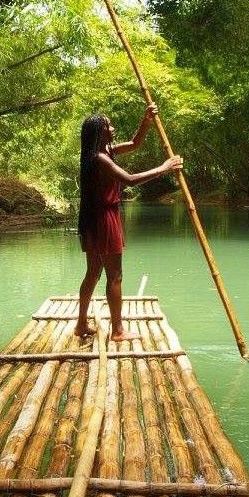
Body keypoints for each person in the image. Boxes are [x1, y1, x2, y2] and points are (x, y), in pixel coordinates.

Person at [75, 104, 183, 341]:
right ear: (99, 132)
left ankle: (81, 325)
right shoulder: (100, 159)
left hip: (94, 219)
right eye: (108, 126)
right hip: (104, 219)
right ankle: (118, 331)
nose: (112, 128)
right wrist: (164, 168)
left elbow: (135, 143)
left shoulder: (104, 152)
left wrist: (146, 120)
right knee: (115, 275)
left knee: (93, 272)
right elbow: (130, 180)